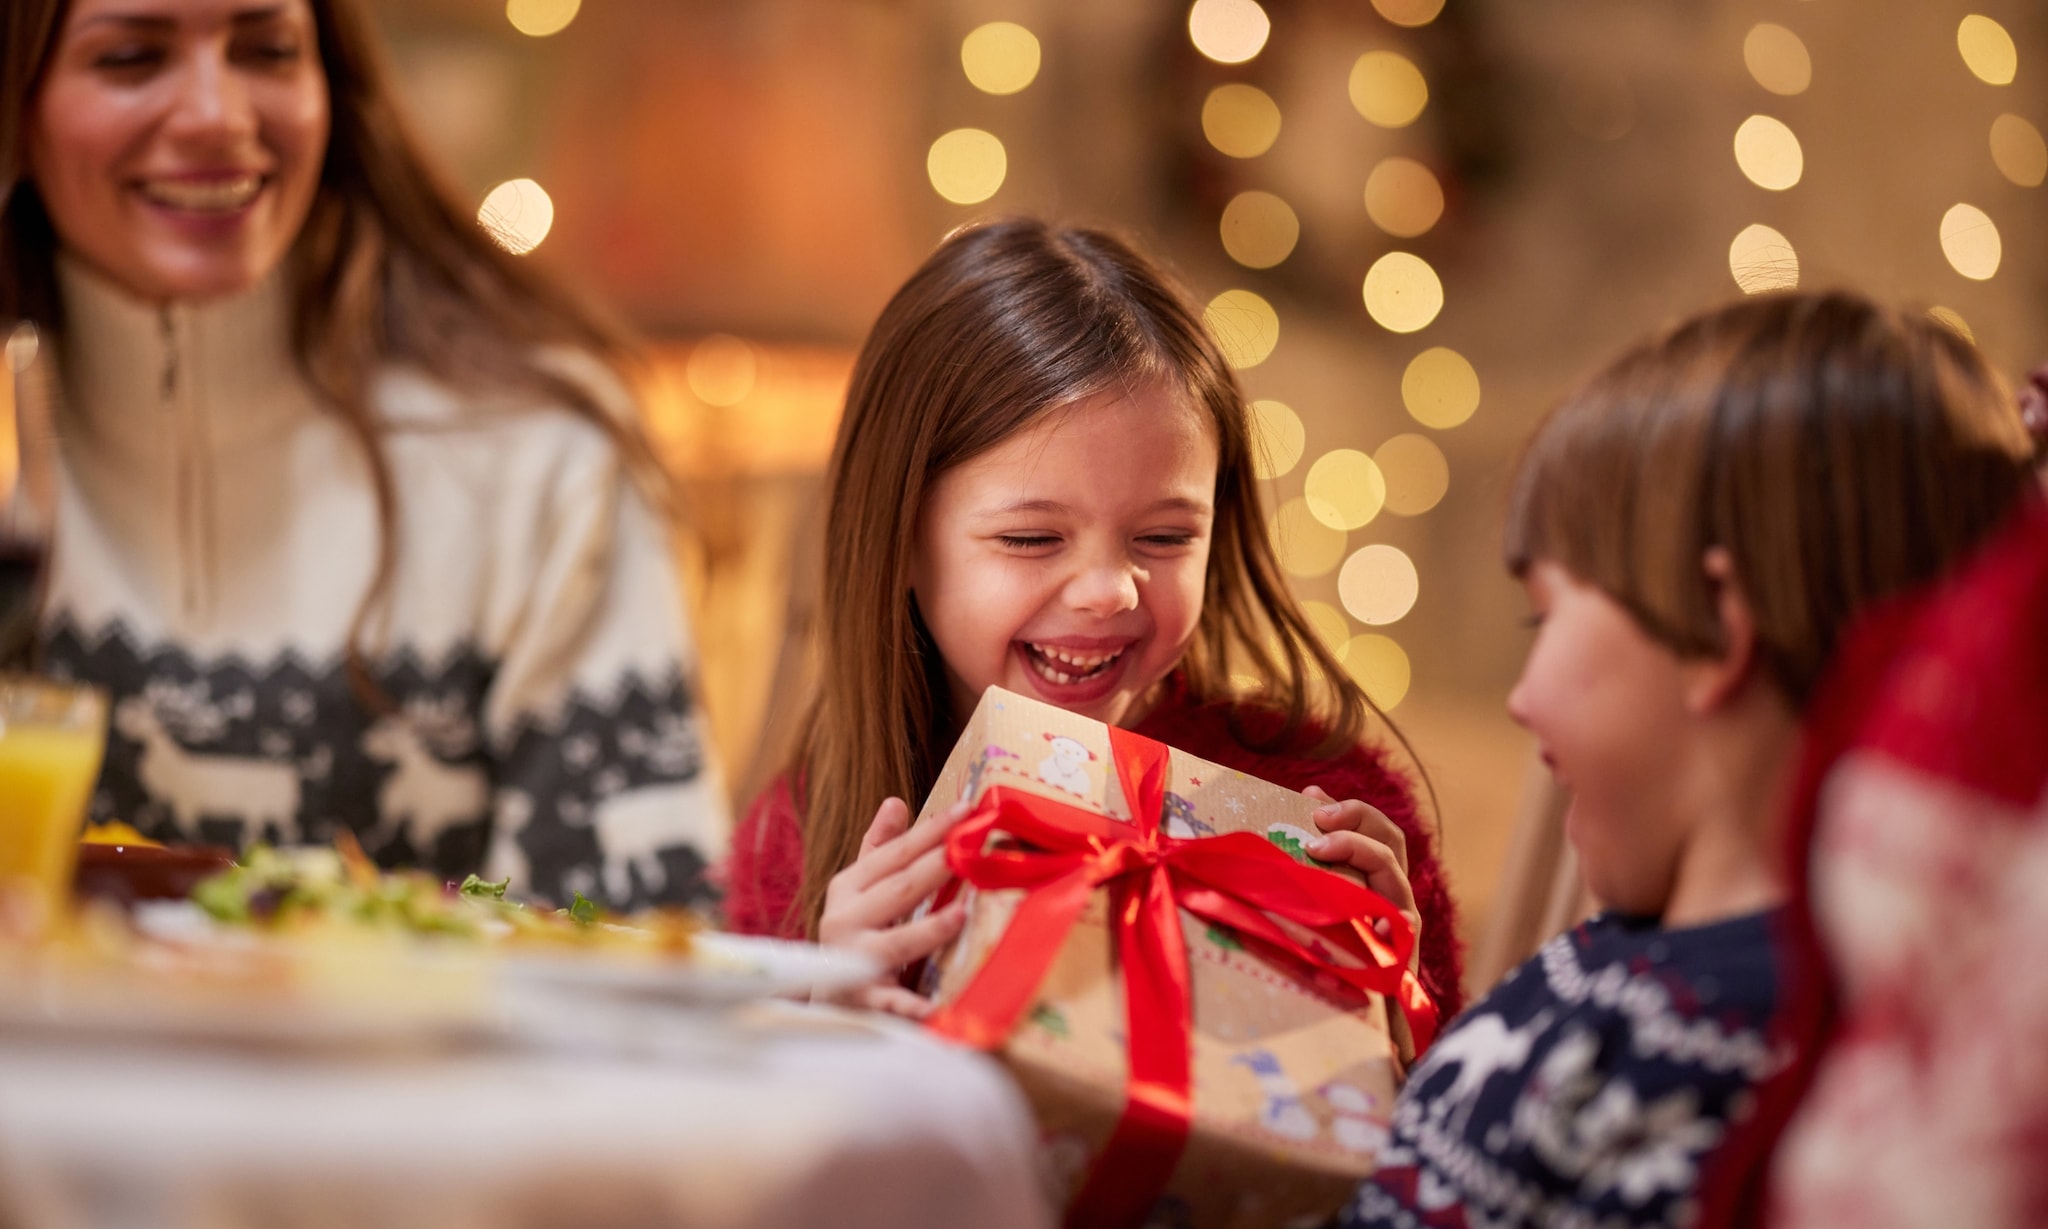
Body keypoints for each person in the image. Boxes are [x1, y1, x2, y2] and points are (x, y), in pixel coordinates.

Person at [0, 0, 727, 909]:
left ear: (331, 84)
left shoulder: (542, 452)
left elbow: (646, 940)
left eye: (266, 49)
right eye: (133, 57)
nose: (219, 115)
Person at [1337, 291, 2040, 1228]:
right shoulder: (1614, 954)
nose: (1522, 695)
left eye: (1544, 619)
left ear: (1715, 631)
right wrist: (1393, 1036)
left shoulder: (1737, 1059)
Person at [721, 217, 1464, 1018]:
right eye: (1033, 538)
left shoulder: (1327, 808)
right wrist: (824, 1014)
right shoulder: (802, 844)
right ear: (900, 537)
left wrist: (1401, 1011)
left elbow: (1432, 1127)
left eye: (1165, 536)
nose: (1109, 590)